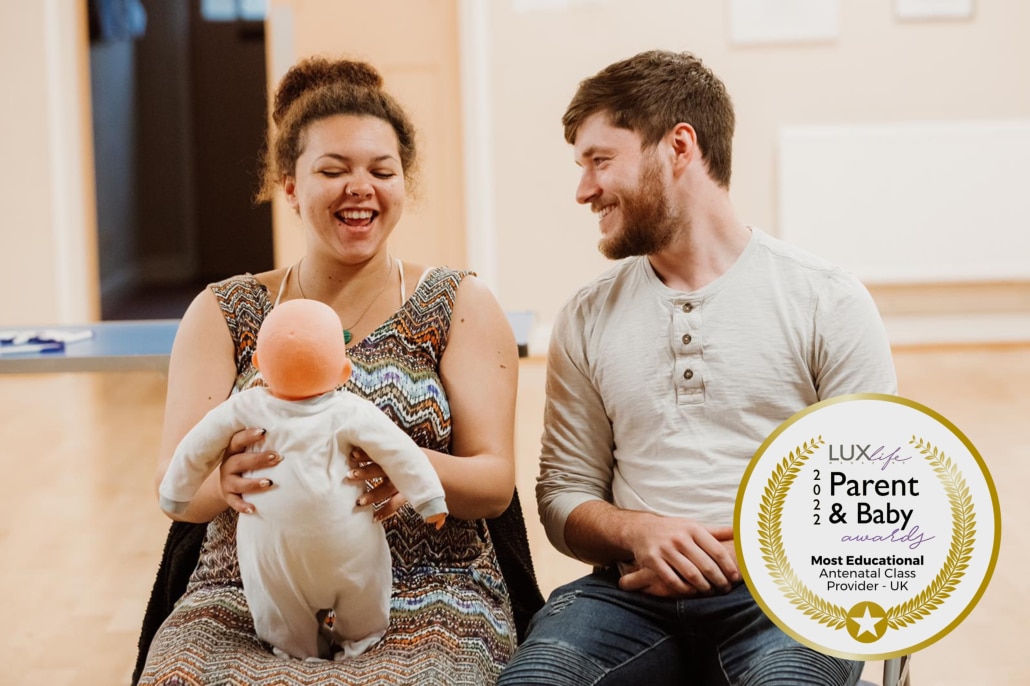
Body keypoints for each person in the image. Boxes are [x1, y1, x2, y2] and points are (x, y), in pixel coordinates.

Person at [136, 56, 542, 685]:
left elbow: (494, 484)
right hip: (250, 592)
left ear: (403, 184)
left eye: (382, 170)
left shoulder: (458, 303)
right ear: (290, 186)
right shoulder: (224, 312)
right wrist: (226, 481)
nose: (361, 187)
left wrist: (404, 466)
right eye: (333, 170)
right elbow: (176, 486)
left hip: (428, 588)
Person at [498, 50, 897, 686]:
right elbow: (563, 495)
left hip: (792, 595)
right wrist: (637, 533)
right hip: (625, 598)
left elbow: (880, 492)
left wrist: (745, 556)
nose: (584, 190)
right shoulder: (586, 315)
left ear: (679, 147)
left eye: (601, 160)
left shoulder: (826, 299)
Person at [159, 298, 448, 661]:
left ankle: (296, 646)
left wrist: (176, 491)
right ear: (344, 371)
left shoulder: (245, 406)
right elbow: (402, 453)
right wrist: (429, 499)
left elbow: (196, 446)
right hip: (348, 545)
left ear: (258, 364)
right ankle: (358, 636)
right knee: (359, 591)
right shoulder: (351, 411)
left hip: (271, 548)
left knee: (280, 601)